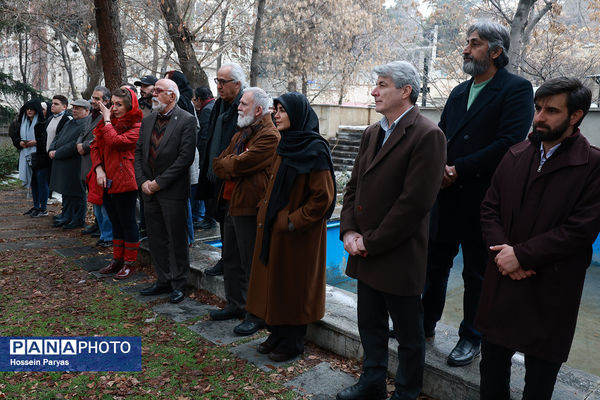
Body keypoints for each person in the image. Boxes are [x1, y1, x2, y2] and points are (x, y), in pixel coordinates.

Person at [476, 77, 600, 399]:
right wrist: (504, 256)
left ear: (576, 116)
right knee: (490, 374)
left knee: (539, 386)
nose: (540, 117)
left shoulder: (593, 166)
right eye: (538, 108)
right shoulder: (515, 154)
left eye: (551, 110)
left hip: (550, 292)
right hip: (502, 282)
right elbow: (489, 208)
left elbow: (581, 229)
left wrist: (522, 256)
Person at [421, 20, 534, 367]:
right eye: (467, 43)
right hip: (446, 194)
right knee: (434, 266)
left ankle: (472, 337)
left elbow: (509, 143)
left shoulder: (517, 89)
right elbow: (442, 136)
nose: (466, 50)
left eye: (474, 43)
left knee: (477, 272)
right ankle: (423, 325)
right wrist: (440, 167)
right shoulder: (458, 90)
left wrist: (460, 169)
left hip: (484, 198)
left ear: (496, 51)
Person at [336, 61, 446, 400]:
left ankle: (406, 392)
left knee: (409, 334)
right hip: (365, 250)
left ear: (405, 90)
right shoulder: (373, 131)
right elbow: (353, 188)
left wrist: (371, 242)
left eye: (382, 85)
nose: (374, 91)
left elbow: (414, 204)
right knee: (369, 324)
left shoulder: (428, 135)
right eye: (376, 84)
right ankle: (371, 382)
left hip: (397, 254)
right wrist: (349, 233)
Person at [245, 92, 335, 362]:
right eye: (276, 110)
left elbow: (323, 199)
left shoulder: (314, 148)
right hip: (277, 231)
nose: (277, 115)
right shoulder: (286, 144)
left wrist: (292, 221)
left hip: (299, 236)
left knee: (295, 285)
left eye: (283, 110)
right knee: (277, 282)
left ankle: (293, 341)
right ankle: (278, 333)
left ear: (298, 114)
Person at [209, 87, 280, 338]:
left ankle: (256, 315)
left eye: (244, 104)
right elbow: (219, 163)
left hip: (250, 207)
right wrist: (232, 164)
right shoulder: (242, 133)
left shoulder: (270, 135)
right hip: (231, 204)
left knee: (251, 263)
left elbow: (240, 164)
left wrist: (233, 164)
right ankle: (235, 304)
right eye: (240, 103)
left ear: (258, 110)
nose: (238, 107)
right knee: (230, 258)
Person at [135, 78, 197, 304]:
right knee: (156, 238)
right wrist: (142, 181)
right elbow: (139, 153)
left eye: (158, 91)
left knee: (176, 238)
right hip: (148, 190)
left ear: (172, 95)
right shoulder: (148, 120)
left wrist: (158, 182)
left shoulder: (187, 121)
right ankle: (162, 280)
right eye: (153, 92)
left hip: (172, 191)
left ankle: (179, 283)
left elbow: (184, 159)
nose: (153, 95)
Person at [198, 63, 246, 275]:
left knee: (232, 222)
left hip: (233, 174)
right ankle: (226, 260)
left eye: (222, 82)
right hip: (216, 170)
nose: (218, 86)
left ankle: (231, 262)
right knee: (221, 217)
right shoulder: (220, 105)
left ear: (237, 84)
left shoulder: (245, 104)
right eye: (217, 81)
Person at [91, 87, 142, 280]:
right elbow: (95, 145)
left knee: (127, 221)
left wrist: (106, 119)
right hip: (107, 179)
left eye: (119, 104)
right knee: (115, 221)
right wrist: (98, 168)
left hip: (125, 179)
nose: (114, 108)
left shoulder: (137, 124)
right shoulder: (110, 121)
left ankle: (129, 263)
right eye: (113, 103)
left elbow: (116, 142)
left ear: (129, 105)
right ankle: (117, 259)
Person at [48, 99, 90, 229]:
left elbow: (74, 145)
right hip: (63, 162)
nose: (74, 110)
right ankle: (67, 215)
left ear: (87, 111)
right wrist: (51, 149)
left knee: (76, 192)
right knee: (66, 191)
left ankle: (77, 219)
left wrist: (57, 153)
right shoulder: (70, 122)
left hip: (75, 163)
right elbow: (58, 137)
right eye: (74, 107)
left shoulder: (86, 125)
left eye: (78, 108)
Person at [37, 95, 73, 225]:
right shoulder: (50, 118)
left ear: (64, 106)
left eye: (56, 104)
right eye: (52, 103)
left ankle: (68, 213)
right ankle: (64, 212)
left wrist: (58, 151)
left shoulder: (68, 119)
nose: (52, 106)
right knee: (52, 182)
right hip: (49, 156)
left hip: (61, 156)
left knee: (63, 185)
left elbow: (66, 138)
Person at [10, 99, 45, 216]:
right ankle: (35, 206)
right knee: (33, 182)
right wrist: (19, 143)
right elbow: (15, 137)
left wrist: (36, 143)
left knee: (41, 181)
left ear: (36, 110)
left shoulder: (42, 122)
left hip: (40, 157)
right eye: (27, 109)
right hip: (26, 156)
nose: (29, 111)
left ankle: (43, 208)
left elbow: (47, 140)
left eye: (31, 109)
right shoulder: (22, 123)